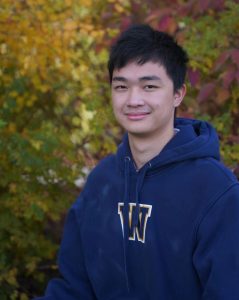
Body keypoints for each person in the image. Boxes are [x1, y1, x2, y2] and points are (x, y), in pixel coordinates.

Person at [36, 24, 239, 300]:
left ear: (178, 93)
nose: (133, 99)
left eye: (149, 86)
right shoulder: (102, 182)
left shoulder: (216, 191)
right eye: (121, 86)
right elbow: (74, 287)